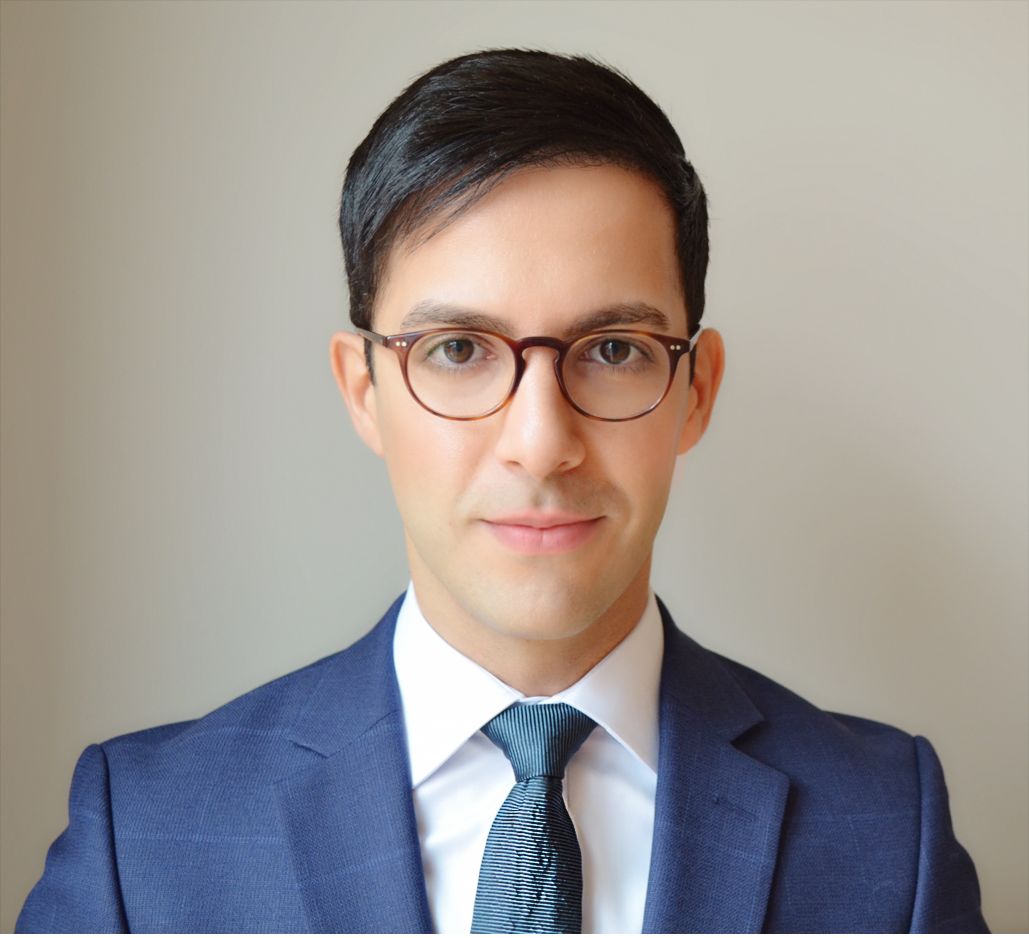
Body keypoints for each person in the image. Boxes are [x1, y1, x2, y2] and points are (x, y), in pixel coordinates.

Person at [17, 49, 987, 934]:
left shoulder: (884, 825)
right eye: (458, 349)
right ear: (364, 390)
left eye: (614, 350)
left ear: (695, 390)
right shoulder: (142, 836)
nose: (541, 443)